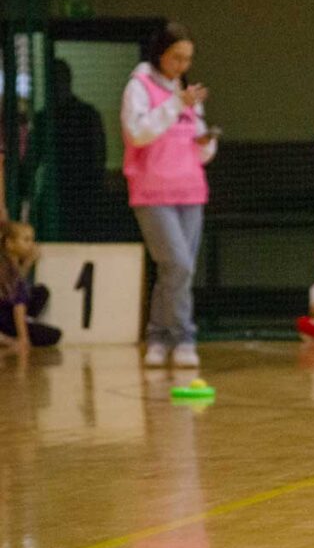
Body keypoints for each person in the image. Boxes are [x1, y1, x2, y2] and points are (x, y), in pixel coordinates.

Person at [121, 22, 218, 368]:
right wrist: (175, 105)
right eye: (176, 57)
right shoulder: (139, 86)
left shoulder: (185, 93)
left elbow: (199, 149)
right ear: (160, 53)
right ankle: (184, 336)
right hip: (153, 192)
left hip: (190, 190)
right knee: (177, 264)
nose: (182, 65)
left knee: (176, 271)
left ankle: (158, 336)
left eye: (187, 59)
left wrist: (206, 143)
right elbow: (137, 134)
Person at [49, 59, 107, 241]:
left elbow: (99, 154)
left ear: (68, 80)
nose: (56, 85)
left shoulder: (87, 115)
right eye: (53, 80)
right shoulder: (45, 118)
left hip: (84, 192)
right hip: (55, 192)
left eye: (60, 79)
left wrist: (96, 185)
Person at [0, 221, 61, 350]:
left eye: (32, 240)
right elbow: (18, 304)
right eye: (26, 240)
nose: (31, 245)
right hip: (5, 319)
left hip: (6, 315)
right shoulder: (6, 269)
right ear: (10, 243)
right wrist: (23, 338)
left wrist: (28, 262)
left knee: (40, 292)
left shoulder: (11, 266)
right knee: (53, 335)